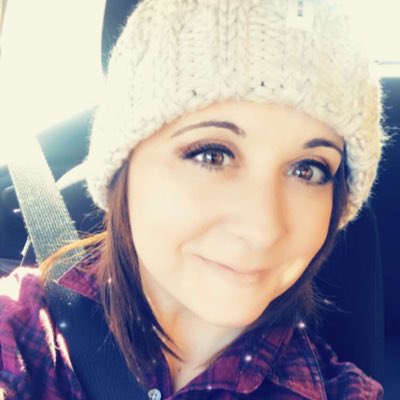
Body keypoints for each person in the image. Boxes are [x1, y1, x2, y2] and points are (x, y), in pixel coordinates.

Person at [0, 0, 386, 398]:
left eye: (308, 170)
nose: (263, 229)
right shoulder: (19, 332)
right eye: (212, 155)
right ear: (123, 166)